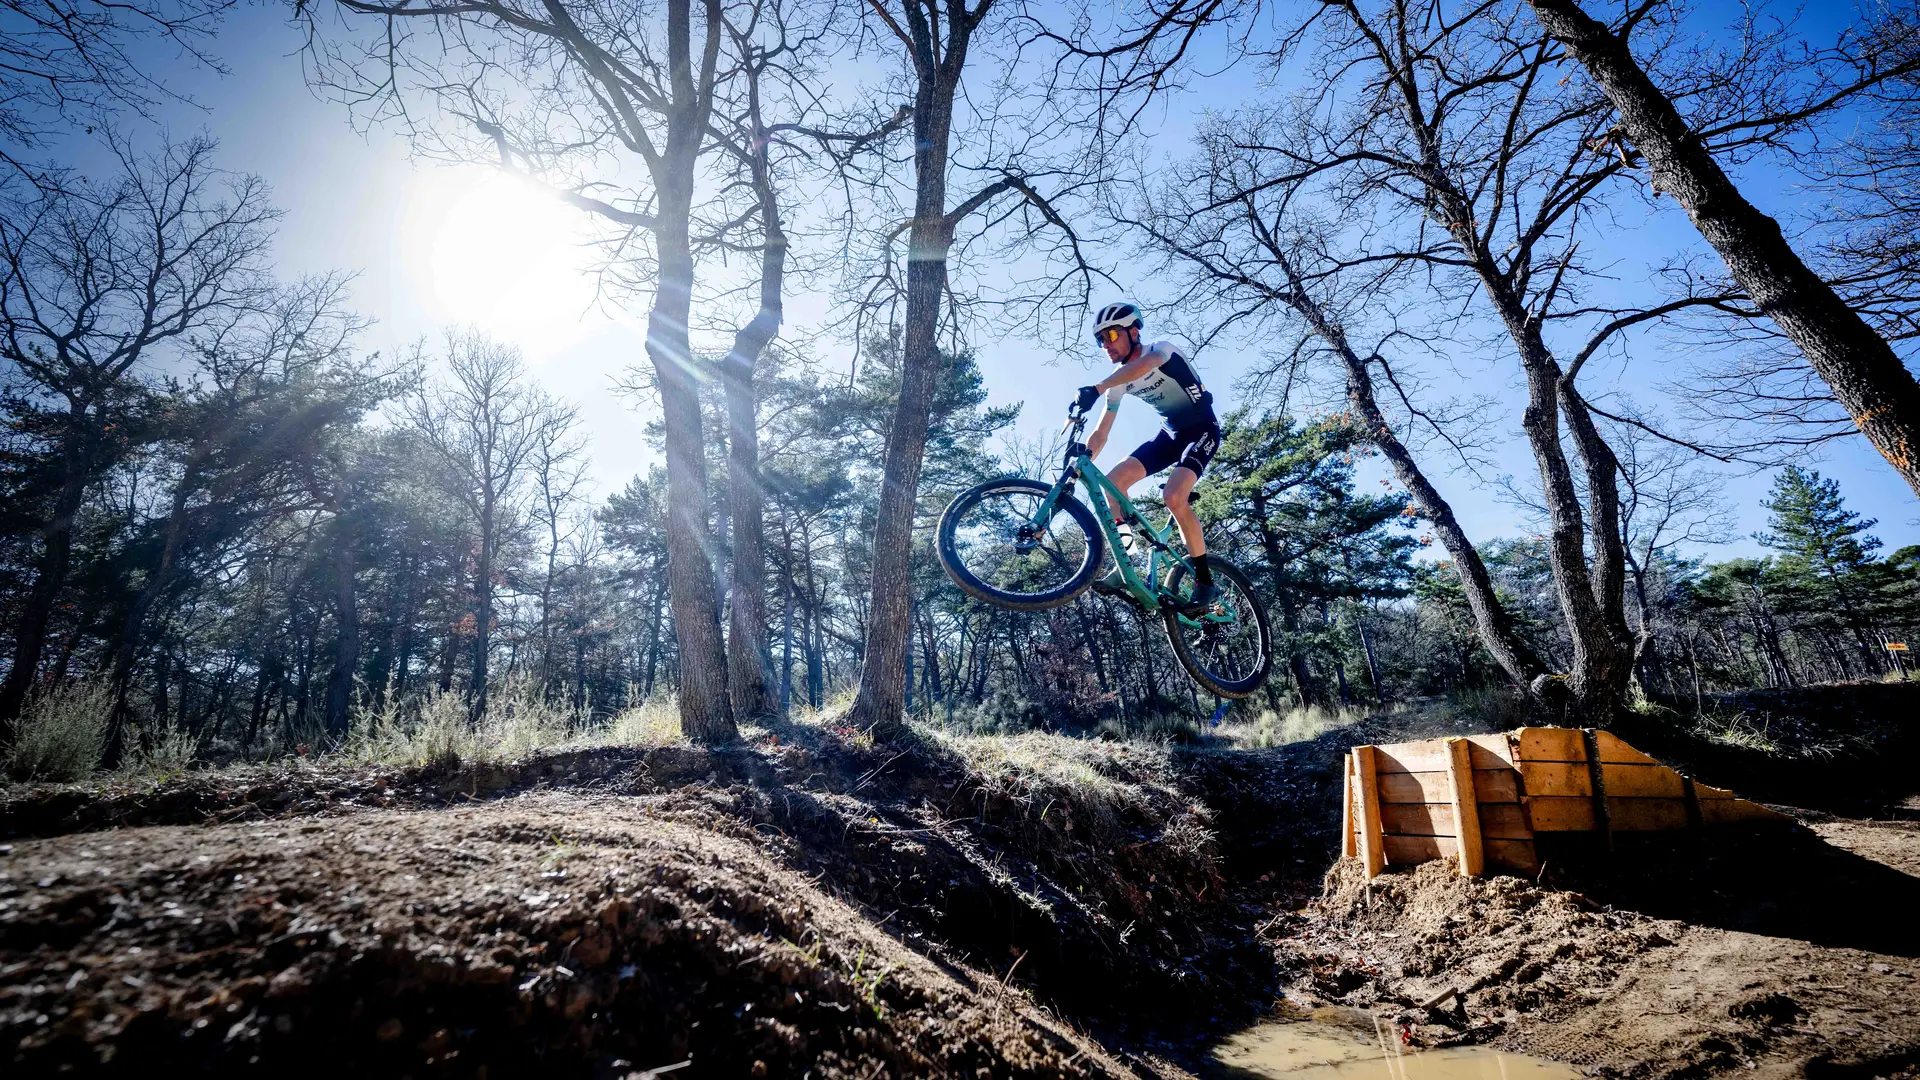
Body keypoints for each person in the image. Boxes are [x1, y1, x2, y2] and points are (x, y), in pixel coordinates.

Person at [1072, 301, 1220, 611]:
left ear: (1134, 332)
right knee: (1112, 484)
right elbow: (1101, 433)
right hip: (1170, 435)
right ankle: (1127, 564)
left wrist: (1097, 388)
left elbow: (1146, 364)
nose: (1106, 344)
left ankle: (1205, 582)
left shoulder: (1162, 350)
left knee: (1174, 497)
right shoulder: (1117, 382)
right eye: (1100, 339)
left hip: (1202, 430)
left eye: (1112, 335)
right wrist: (1081, 461)